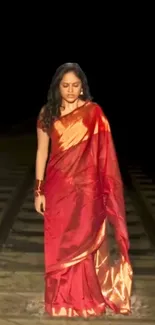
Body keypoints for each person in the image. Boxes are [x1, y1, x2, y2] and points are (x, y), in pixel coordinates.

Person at [34, 62, 133, 318]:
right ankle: (59, 301)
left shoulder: (93, 113)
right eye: (65, 85)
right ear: (57, 87)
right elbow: (42, 151)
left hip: (86, 190)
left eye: (75, 85)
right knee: (59, 244)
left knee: (84, 241)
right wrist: (38, 190)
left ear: (82, 87)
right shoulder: (48, 113)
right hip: (57, 189)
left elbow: (104, 153)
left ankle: (85, 299)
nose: (70, 90)